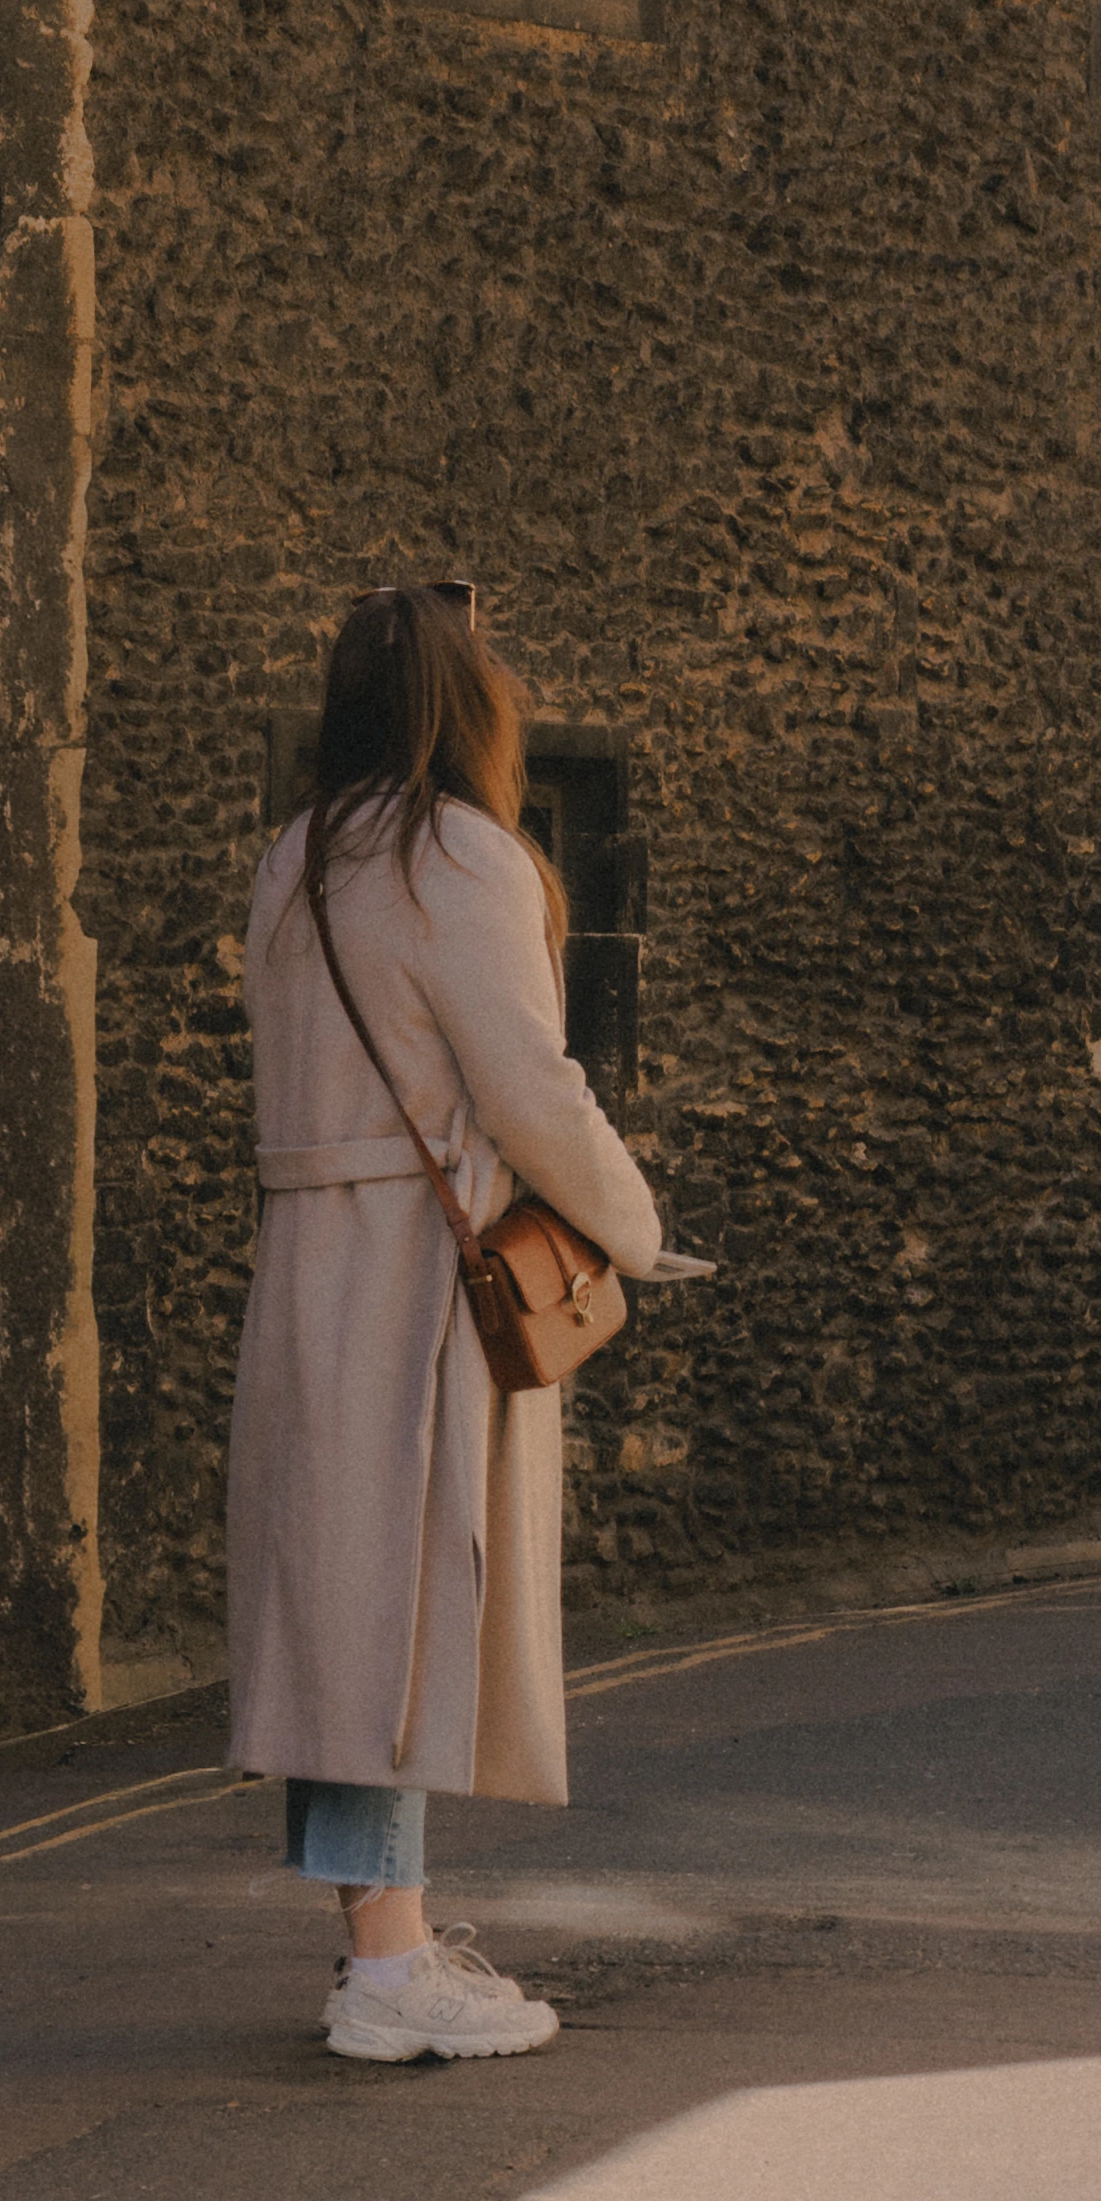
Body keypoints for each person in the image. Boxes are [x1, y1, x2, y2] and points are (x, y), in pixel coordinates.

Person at [227, 577, 666, 2065]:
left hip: (310, 1264)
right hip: (417, 1269)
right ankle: (390, 1968)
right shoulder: (461, 859)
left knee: (344, 1618)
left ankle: (384, 1942)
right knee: (397, 1614)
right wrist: (633, 1225)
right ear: (473, 708)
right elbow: (532, 1087)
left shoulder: (292, 860)